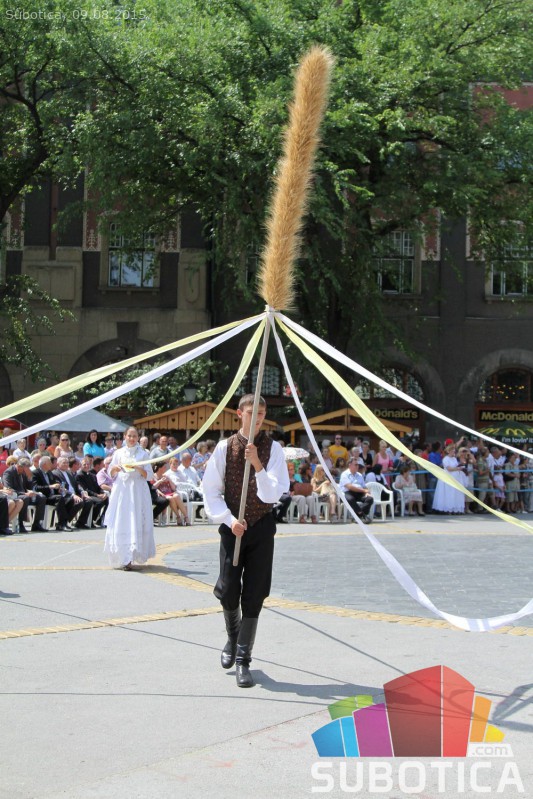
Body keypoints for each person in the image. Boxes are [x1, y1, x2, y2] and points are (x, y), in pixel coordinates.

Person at [202, 394, 289, 688]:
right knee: (228, 589)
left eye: (262, 413)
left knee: (254, 593)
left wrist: (258, 465)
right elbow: (211, 490)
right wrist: (229, 520)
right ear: (240, 414)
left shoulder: (273, 449)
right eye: (252, 413)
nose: (258, 418)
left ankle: (243, 659)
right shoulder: (224, 448)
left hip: (261, 526)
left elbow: (273, 493)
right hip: (233, 527)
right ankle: (232, 637)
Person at [104, 427, 155, 570]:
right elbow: (111, 472)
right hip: (122, 489)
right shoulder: (118, 453)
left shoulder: (143, 454)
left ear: (138, 437)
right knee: (123, 519)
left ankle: (131, 556)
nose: (132, 439)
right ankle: (123, 557)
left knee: (136, 519)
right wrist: (115, 469)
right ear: (125, 437)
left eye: (134, 436)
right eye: (129, 436)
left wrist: (138, 468)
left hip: (137, 490)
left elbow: (150, 475)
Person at [432, 444, 468, 514]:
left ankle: (455, 508)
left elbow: (455, 465)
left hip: (455, 478)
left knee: (454, 493)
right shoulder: (445, 459)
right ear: (448, 451)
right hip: (448, 478)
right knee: (448, 493)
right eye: (452, 450)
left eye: (454, 450)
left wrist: (460, 465)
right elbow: (449, 468)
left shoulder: (454, 459)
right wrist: (458, 468)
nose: (453, 451)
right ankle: (446, 508)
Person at [339, 458, 374, 522]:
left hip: (359, 492)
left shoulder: (359, 475)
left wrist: (366, 492)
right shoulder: (344, 474)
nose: (357, 466)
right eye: (356, 465)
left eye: (358, 465)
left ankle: (357, 516)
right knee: (350, 499)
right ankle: (362, 515)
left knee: (370, 499)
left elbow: (364, 486)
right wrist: (364, 491)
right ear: (350, 465)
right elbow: (350, 487)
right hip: (348, 492)